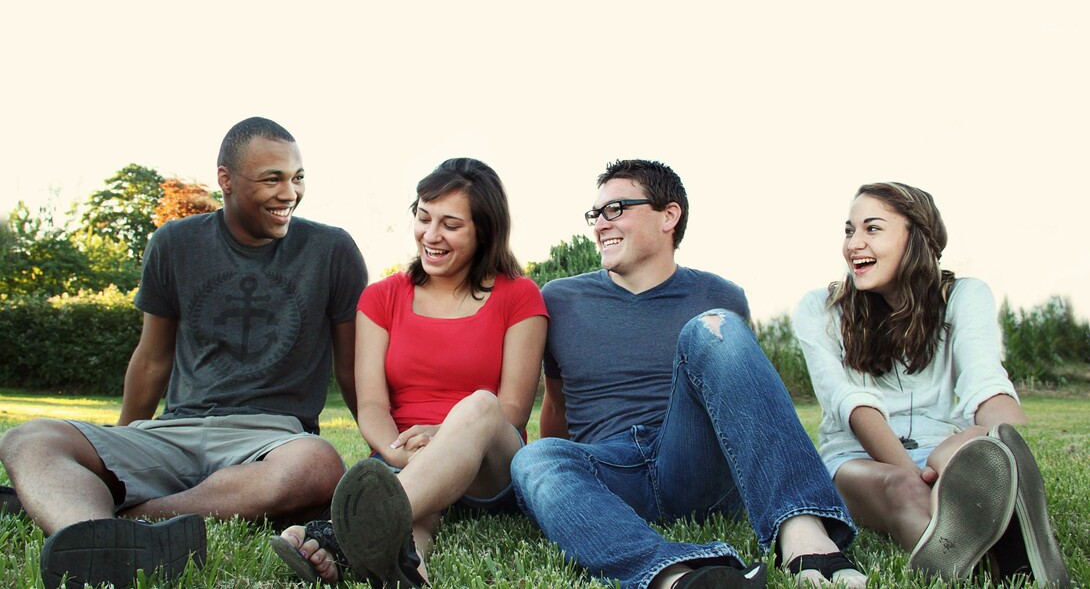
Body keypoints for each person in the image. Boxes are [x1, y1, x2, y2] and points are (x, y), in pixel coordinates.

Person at [0, 117, 368, 589]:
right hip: (176, 430)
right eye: (271, 178)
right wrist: (116, 449)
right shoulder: (175, 243)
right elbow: (152, 359)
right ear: (226, 179)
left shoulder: (331, 249)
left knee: (318, 464)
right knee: (27, 439)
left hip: (271, 438)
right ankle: (85, 531)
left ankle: (121, 524)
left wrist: (384, 451)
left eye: (297, 177)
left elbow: (352, 367)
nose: (289, 193)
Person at [510, 160, 867, 589]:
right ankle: (673, 575)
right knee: (535, 456)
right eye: (596, 214)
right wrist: (567, 484)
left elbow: (740, 397)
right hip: (613, 471)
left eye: (616, 209)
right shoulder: (561, 298)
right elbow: (557, 406)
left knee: (714, 326)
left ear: (669, 215)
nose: (601, 225)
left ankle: (803, 533)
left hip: (693, 464)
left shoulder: (722, 295)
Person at [272, 157, 548, 587]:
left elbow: (511, 409)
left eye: (451, 225)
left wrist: (443, 435)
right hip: (402, 458)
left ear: (484, 230)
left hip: (489, 465)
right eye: (423, 218)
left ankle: (341, 533)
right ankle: (405, 566)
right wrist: (401, 452)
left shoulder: (520, 295)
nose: (431, 235)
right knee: (414, 518)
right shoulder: (381, 297)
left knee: (480, 404)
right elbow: (371, 403)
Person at [792, 182, 1070, 585]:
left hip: (942, 448)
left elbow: (984, 382)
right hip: (856, 457)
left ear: (917, 237)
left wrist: (1008, 442)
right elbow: (850, 404)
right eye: (849, 230)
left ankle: (1004, 521)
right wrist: (917, 478)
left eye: (872, 229)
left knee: (977, 444)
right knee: (902, 489)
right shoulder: (821, 308)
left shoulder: (964, 296)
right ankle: (986, 558)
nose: (854, 244)